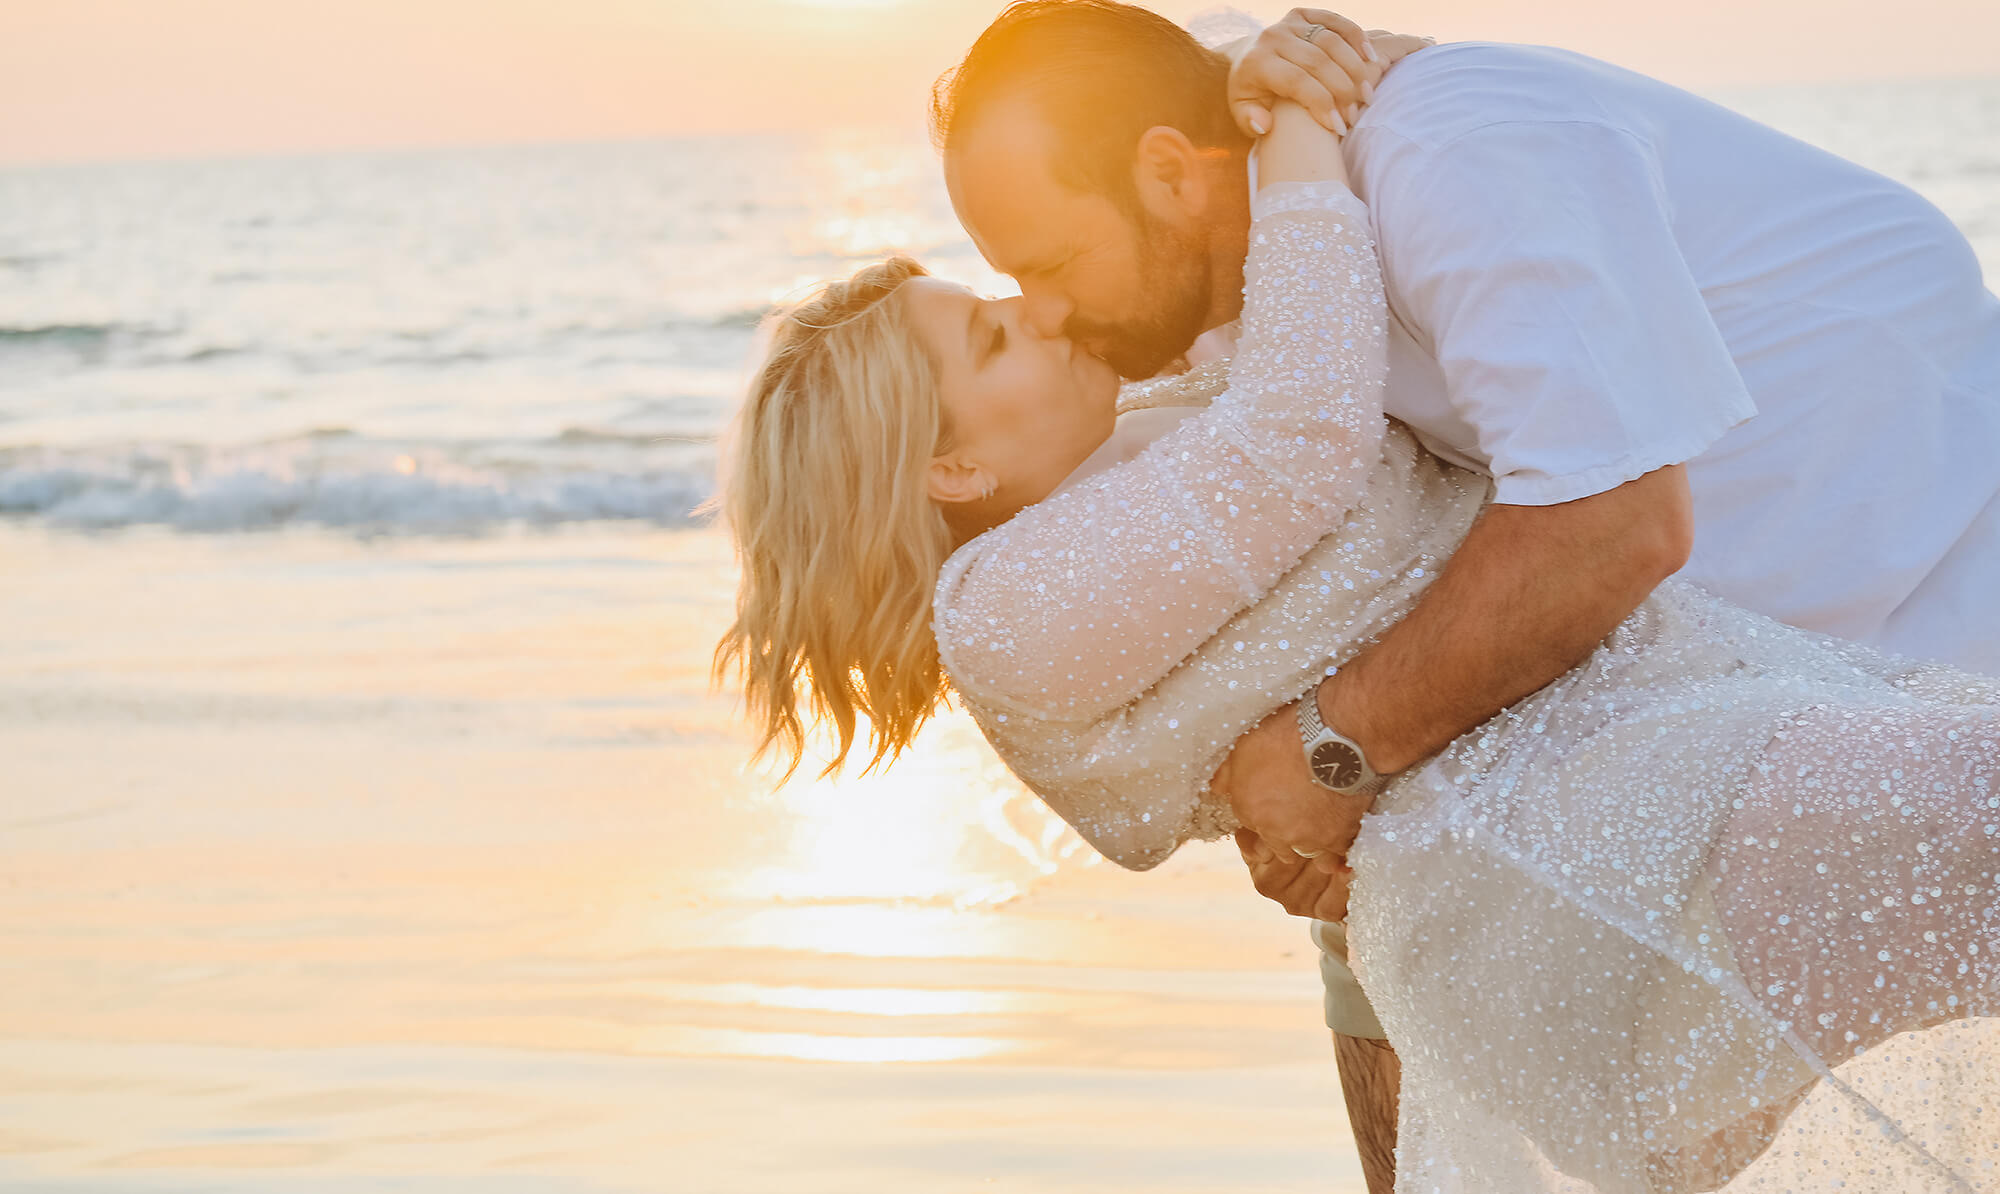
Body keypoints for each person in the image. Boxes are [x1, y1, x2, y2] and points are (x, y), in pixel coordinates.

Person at [715, 69, 2000, 1189]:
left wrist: (1265, 78)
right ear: (945, 471)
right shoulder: (1004, 616)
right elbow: (1297, 429)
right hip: (1577, 865)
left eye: (1027, 286)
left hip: (1645, 781)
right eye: (997, 333)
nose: (1045, 313)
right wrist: (1297, 143)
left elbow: (1181, 231)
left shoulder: (1127, 452)